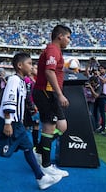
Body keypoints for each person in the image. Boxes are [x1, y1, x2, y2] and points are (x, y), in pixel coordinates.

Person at [0, 53, 62, 190]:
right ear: (20, 66)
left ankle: (40, 177)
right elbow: (9, 99)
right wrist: (8, 122)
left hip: (16, 122)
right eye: (30, 63)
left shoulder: (21, 81)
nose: (32, 67)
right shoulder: (14, 80)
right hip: (9, 121)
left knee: (27, 147)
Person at [32, 25, 71, 177]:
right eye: (68, 37)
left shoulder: (54, 50)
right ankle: (46, 165)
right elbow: (49, 71)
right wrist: (60, 94)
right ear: (60, 36)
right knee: (51, 128)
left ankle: (40, 151)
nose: (69, 41)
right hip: (47, 92)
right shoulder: (53, 50)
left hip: (49, 92)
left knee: (61, 126)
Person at [23, 63, 40, 148]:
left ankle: (35, 145)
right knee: (25, 125)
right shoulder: (27, 80)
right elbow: (27, 95)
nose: (38, 70)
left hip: (36, 106)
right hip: (28, 106)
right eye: (36, 68)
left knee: (35, 124)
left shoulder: (37, 80)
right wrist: (31, 105)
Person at [93, 64, 106, 133]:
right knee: (95, 111)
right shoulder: (101, 75)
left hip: (104, 94)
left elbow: (104, 81)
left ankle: (103, 127)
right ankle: (96, 126)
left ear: (105, 69)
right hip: (98, 94)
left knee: (102, 112)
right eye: (99, 69)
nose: (100, 70)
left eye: (101, 69)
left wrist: (98, 76)